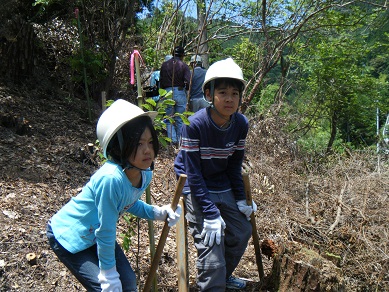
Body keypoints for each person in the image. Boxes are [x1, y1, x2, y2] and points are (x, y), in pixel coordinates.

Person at [46, 99, 182, 292]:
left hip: (95, 234)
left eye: (150, 142)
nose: (147, 150)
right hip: (69, 235)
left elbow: (128, 202)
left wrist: (157, 213)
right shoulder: (110, 179)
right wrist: (108, 273)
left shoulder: (145, 173)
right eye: (138, 143)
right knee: (107, 288)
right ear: (118, 147)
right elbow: (106, 231)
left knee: (128, 283)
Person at [174, 58, 257, 291]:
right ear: (209, 95)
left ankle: (224, 276)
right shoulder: (194, 124)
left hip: (220, 180)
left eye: (234, 93)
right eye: (222, 92)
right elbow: (193, 173)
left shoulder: (240, 124)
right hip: (193, 181)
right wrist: (210, 213)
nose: (229, 99)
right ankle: (212, 285)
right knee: (212, 243)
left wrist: (241, 198)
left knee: (242, 231)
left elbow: (234, 165)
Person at [159, 46, 191, 145]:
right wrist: (186, 89)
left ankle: (172, 141)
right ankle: (180, 141)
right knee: (180, 118)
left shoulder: (165, 65)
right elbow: (188, 81)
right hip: (180, 92)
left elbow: (161, 81)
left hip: (167, 92)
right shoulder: (184, 65)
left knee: (168, 119)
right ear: (182, 55)